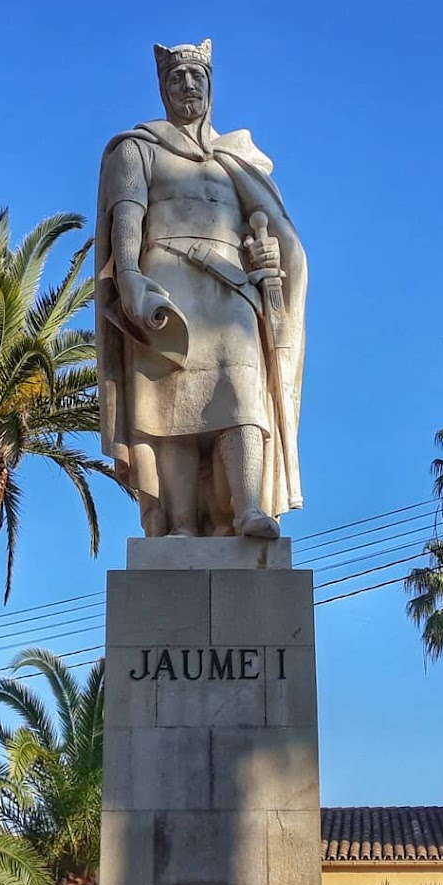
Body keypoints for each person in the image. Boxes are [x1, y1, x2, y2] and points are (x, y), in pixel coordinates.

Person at [95, 39, 306, 539]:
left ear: (211, 86)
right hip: (164, 283)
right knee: (170, 405)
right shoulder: (137, 148)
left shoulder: (239, 159)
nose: (187, 85)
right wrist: (129, 275)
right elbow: (127, 217)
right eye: (176, 77)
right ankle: (182, 524)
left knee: (243, 393)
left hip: (231, 289)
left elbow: (273, 235)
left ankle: (248, 508)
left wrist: (269, 258)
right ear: (163, 88)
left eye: (197, 76)